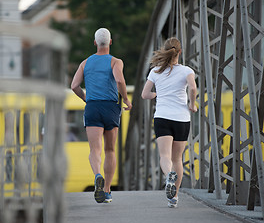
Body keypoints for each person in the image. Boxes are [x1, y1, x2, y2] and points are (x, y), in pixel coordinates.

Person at [71, 28, 132, 203]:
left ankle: (98, 175)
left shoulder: (85, 63)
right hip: (111, 107)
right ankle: (106, 190)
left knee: (95, 150)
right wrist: (126, 100)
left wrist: (86, 99)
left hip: (92, 107)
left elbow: (74, 85)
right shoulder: (115, 62)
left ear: (95, 43)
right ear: (110, 42)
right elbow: (119, 80)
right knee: (110, 150)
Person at [141, 37, 197, 208]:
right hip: (181, 118)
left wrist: (157, 95)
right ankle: (174, 198)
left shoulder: (155, 71)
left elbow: (145, 94)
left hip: (162, 117)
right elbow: (193, 88)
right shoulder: (187, 70)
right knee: (177, 158)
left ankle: (169, 175)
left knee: (165, 156)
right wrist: (192, 104)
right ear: (179, 52)